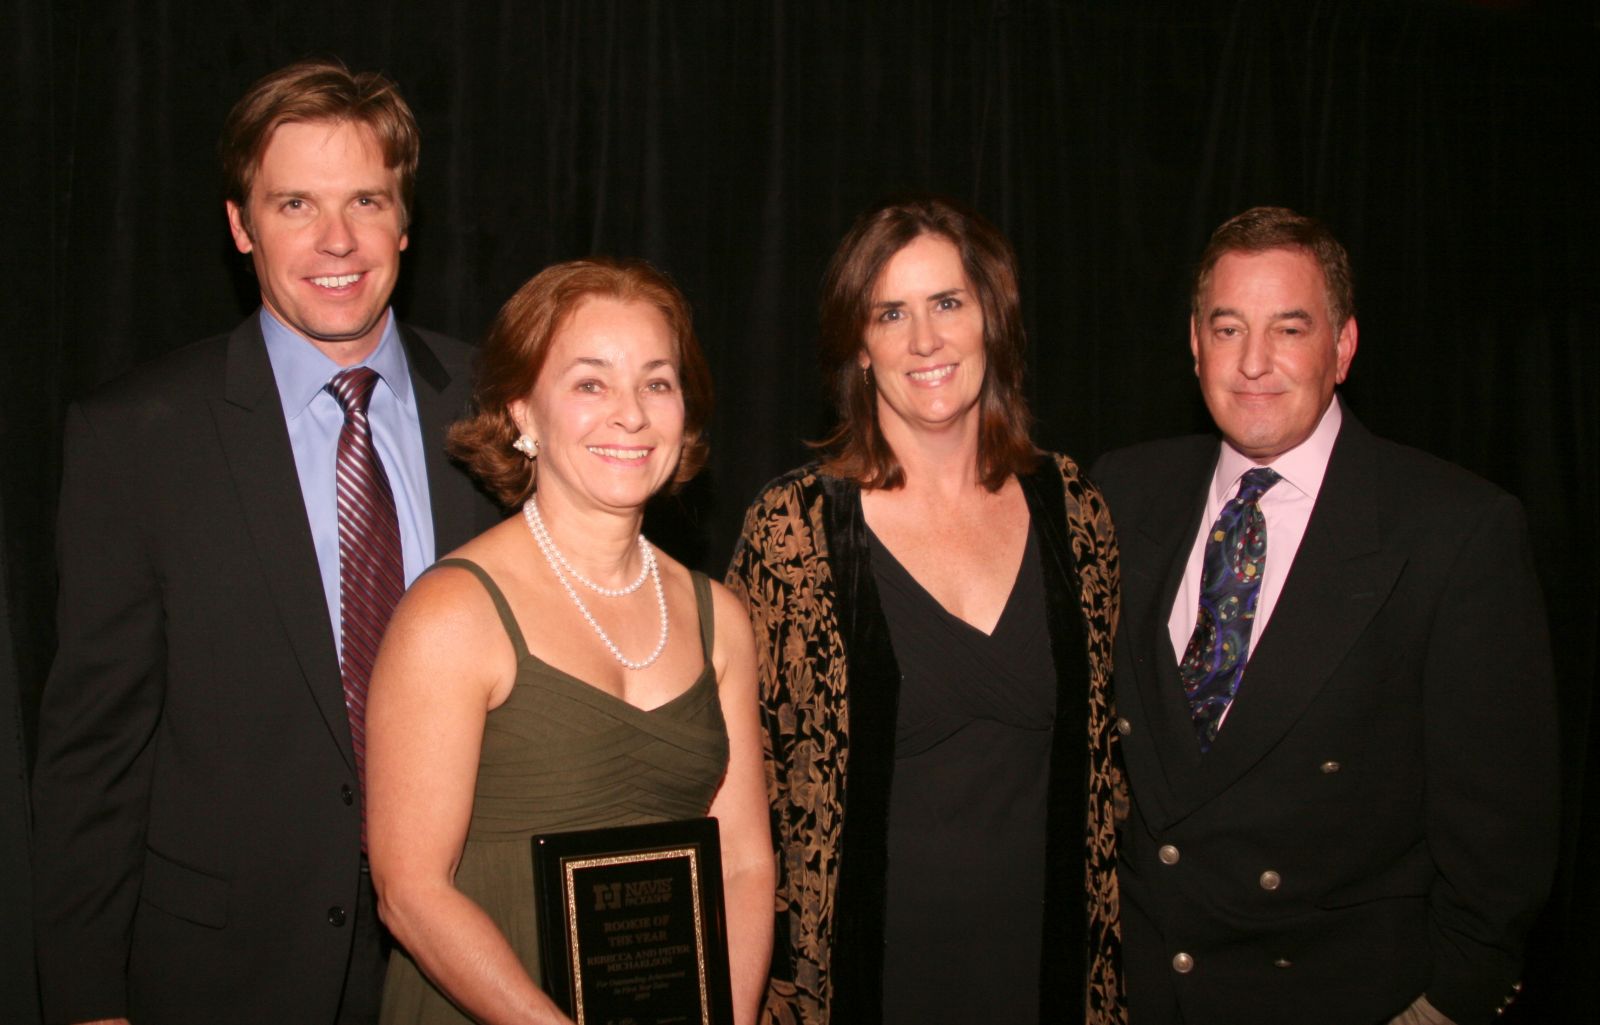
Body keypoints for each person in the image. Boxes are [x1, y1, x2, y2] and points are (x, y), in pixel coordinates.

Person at [29, 59, 501, 1025]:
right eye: (295, 203)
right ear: (242, 226)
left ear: (405, 221)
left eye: (367, 199)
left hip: (468, 966)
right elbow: (95, 752)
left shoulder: (505, 412)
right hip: (220, 977)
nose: (338, 239)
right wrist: (84, 1000)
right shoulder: (135, 437)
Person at [1091, 206, 1558, 1025]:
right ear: (1194, 344)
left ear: (1342, 347)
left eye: (1290, 329)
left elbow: (1501, 836)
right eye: (1228, 328)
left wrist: (1445, 1005)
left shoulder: (1453, 530)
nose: (1254, 363)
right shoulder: (1121, 494)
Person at [726, 196, 1125, 1025]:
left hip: (1048, 979)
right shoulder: (791, 531)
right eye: (890, 313)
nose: (925, 340)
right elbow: (740, 799)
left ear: (993, 320)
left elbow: (1106, 778)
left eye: (948, 303)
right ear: (860, 347)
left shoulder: (1075, 508)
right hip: (861, 987)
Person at [367, 258, 773, 1025]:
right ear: (523, 412)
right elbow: (410, 891)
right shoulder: (452, 613)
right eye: (591, 383)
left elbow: (746, 863)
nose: (631, 414)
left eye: (657, 382)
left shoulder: (721, 619)